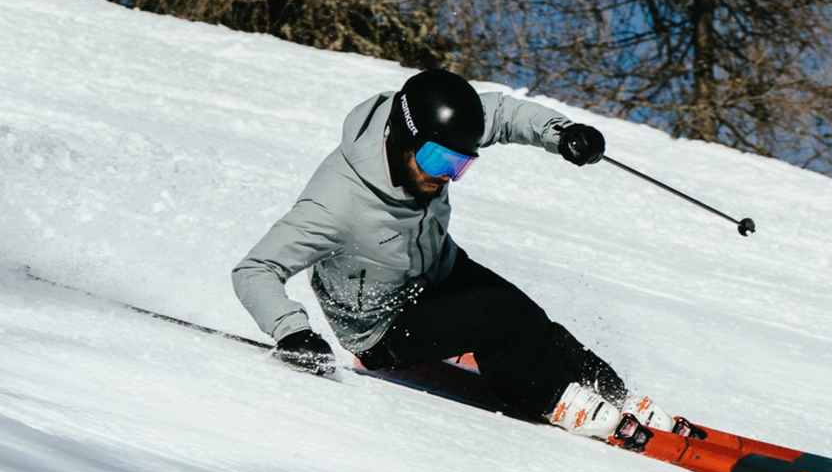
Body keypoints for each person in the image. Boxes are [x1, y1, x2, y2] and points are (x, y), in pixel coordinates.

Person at [232, 69, 672, 438]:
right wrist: (292, 332)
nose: (446, 176)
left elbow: (502, 112)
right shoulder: (337, 204)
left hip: (438, 269)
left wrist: (563, 134)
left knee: (524, 313)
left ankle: (608, 390)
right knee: (497, 318)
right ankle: (555, 397)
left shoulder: (432, 140)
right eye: (438, 161)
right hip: (383, 326)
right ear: (405, 139)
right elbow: (254, 269)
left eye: (459, 165)